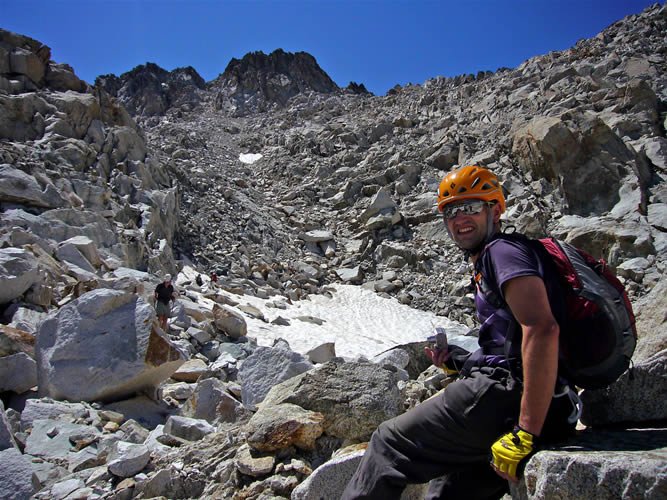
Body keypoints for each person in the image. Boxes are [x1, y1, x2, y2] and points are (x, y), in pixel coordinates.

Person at [342, 165, 578, 499]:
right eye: (450, 211)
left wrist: (526, 432)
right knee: (447, 490)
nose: (459, 218)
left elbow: (541, 328)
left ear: (495, 209)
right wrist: (457, 361)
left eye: (470, 206)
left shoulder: (502, 251)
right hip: (550, 403)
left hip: (509, 399)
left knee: (388, 444)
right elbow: (509, 343)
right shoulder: (503, 254)